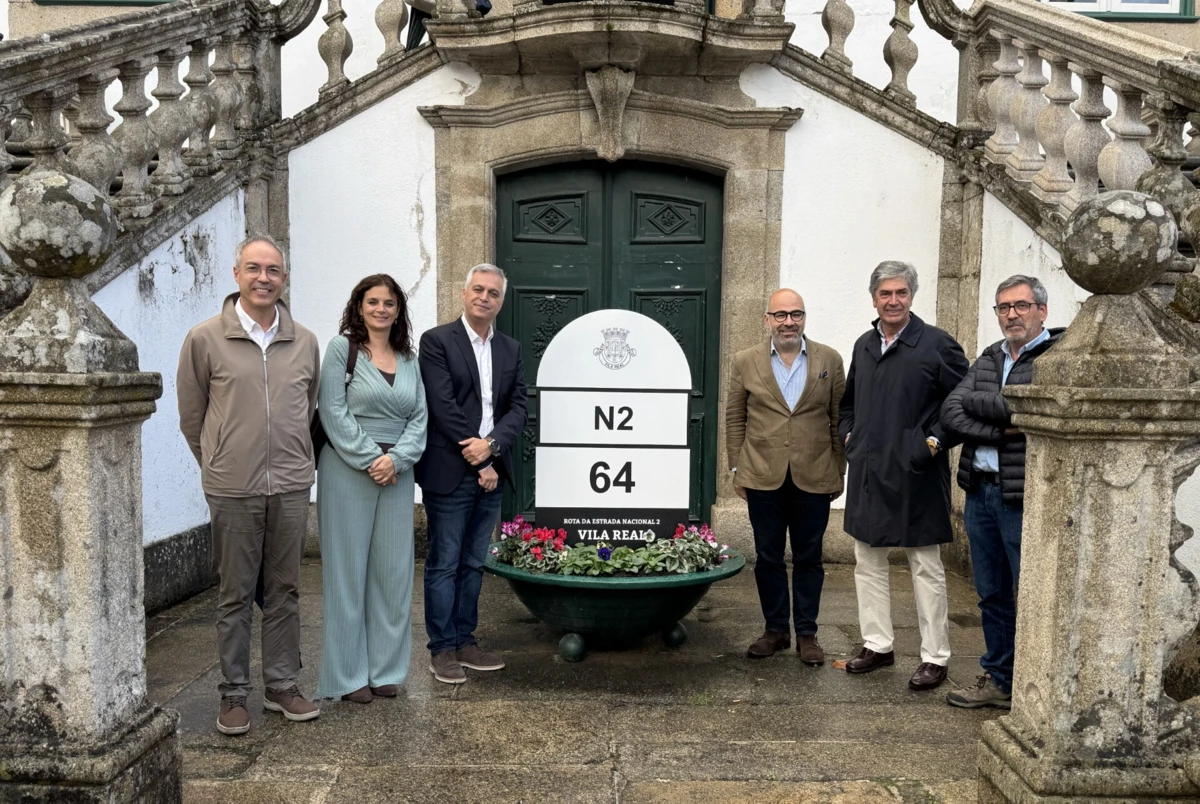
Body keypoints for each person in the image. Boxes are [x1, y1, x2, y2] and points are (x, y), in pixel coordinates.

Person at [177, 234, 322, 735]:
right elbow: (192, 418)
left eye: (273, 270)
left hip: (289, 485)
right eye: (254, 268)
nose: (264, 278)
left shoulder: (304, 340)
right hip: (233, 488)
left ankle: (282, 686)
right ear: (236, 274)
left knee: (284, 590)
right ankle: (233, 693)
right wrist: (219, 463)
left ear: (283, 279)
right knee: (235, 594)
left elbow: (308, 411)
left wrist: (295, 461)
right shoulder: (205, 338)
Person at [837, 260, 969, 691]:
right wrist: (850, 438)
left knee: (925, 566)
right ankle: (877, 644)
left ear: (912, 296)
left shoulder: (936, 345)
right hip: (869, 473)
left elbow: (962, 400)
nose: (893, 301)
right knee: (867, 562)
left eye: (901, 293)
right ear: (873, 297)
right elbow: (849, 403)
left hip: (917, 472)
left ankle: (935, 656)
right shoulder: (863, 344)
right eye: (884, 294)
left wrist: (930, 442)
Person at [940, 275, 1062, 709]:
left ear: (1041, 311)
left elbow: (1032, 408)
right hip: (981, 493)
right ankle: (999, 678)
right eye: (1003, 307)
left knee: (1030, 593)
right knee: (990, 592)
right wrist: (1007, 424)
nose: (1012, 314)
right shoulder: (991, 356)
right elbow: (952, 411)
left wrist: (1008, 410)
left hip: (1023, 497)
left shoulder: (1056, 356)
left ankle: (1034, 684)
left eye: (1021, 306)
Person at [316, 275, 428, 704]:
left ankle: (386, 669)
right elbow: (333, 411)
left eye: (389, 302)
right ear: (359, 306)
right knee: (347, 575)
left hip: (397, 475)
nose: (381, 309)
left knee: (393, 573)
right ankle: (348, 676)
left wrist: (396, 460)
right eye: (373, 301)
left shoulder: (408, 357)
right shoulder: (340, 350)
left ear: (399, 310)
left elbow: (420, 418)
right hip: (348, 469)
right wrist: (371, 458)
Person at [416, 264, 528, 684]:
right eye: (477, 290)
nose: (485, 297)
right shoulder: (437, 341)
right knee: (444, 563)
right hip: (451, 470)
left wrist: (493, 448)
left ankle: (466, 640)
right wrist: (480, 459)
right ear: (464, 294)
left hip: (493, 470)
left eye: (493, 293)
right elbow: (443, 406)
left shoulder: (511, 349)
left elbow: (518, 407)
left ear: (501, 301)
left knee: (474, 562)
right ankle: (442, 649)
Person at [726, 289, 846, 663]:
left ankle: (807, 635)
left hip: (814, 474)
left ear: (804, 318)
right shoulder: (745, 361)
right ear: (767, 319)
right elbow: (735, 417)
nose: (788, 322)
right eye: (780, 315)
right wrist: (737, 468)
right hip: (762, 474)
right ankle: (775, 629)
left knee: (810, 557)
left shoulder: (829, 359)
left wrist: (838, 467)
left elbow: (840, 417)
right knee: (768, 557)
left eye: (796, 314)